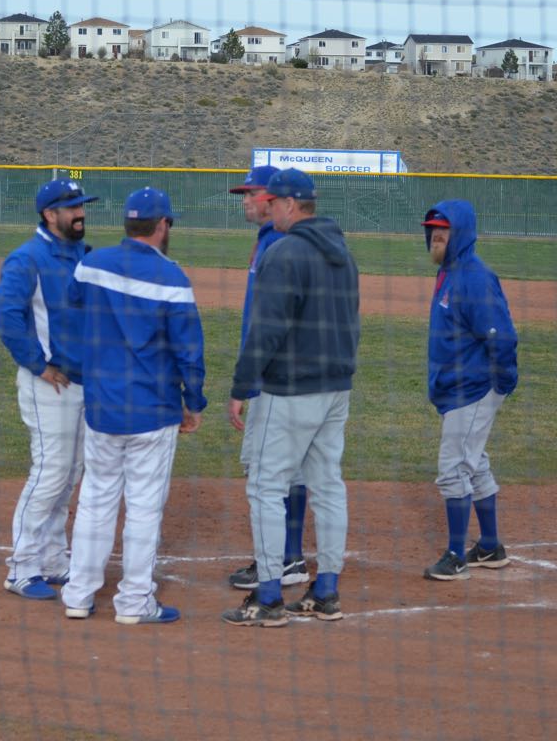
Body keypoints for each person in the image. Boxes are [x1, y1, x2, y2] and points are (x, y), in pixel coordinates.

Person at [60, 186, 207, 625]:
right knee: (144, 508)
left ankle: (78, 595)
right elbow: (189, 351)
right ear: (162, 225)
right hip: (153, 410)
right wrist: (193, 402)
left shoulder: (92, 264)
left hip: (102, 407)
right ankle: (134, 602)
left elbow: (71, 310)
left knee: (95, 500)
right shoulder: (173, 278)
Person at [221, 168, 360, 627]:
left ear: (289, 205)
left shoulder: (284, 252)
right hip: (336, 388)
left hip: (291, 390)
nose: (269, 209)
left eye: (273, 202)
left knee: (266, 487)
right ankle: (326, 591)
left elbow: (265, 330)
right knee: (328, 486)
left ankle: (268, 597)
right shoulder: (343, 252)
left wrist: (241, 386)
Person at [0, 178, 98, 600]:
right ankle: (21, 567)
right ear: (50, 214)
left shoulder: (83, 255)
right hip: (49, 386)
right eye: (72, 208)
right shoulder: (27, 258)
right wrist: (38, 364)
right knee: (51, 473)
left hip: (84, 383)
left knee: (70, 474)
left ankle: (53, 559)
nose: (81, 214)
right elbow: (4, 316)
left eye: (82, 206)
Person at [419, 200, 518, 581]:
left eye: (444, 230)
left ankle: (456, 556)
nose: (436, 236)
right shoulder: (449, 272)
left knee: (453, 469)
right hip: (457, 388)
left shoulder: (474, 277)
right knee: (474, 462)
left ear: (461, 233)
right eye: (432, 230)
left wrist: (502, 381)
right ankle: (490, 546)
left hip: (474, 387)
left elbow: (500, 335)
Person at [225, 165, 311, 591]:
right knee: (287, 468)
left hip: (273, 379)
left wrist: (249, 381)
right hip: (280, 377)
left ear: (274, 198)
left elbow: (272, 322)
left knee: (266, 471)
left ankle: (281, 560)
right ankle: (288, 556)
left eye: (251, 193)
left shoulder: (279, 244)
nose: (245, 200)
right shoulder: (269, 241)